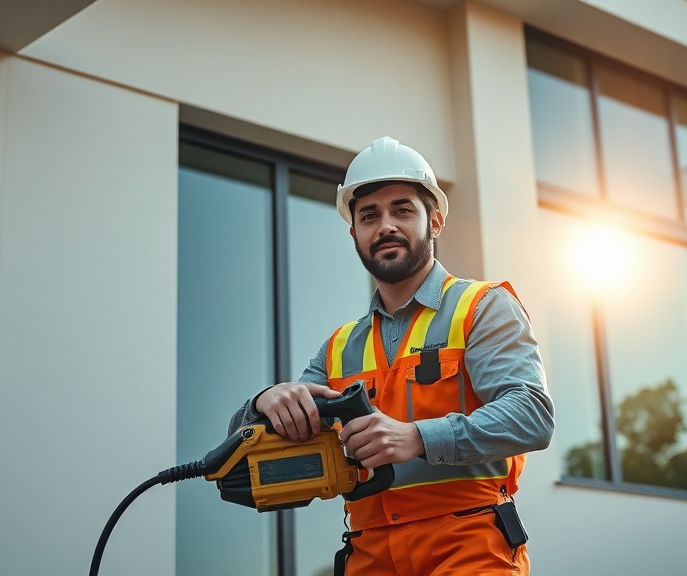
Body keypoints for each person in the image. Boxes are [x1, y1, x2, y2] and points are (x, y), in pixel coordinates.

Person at [229, 136, 554, 576]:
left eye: (402, 209)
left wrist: (416, 437)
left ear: (435, 222)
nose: (385, 226)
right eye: (369, 216)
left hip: (469, 547)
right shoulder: (338, 347)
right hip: (368, 555)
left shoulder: (482, 307)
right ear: (354, 234)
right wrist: (264, 401)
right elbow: (256, 445)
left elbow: (531, 416)